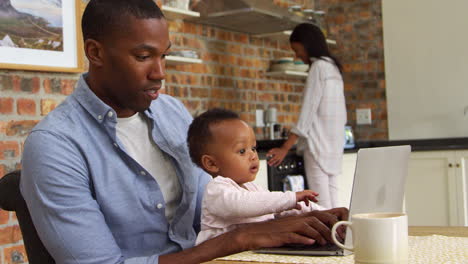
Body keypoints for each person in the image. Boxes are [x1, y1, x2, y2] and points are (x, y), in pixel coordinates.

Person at [19, 1, 348, 263]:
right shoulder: (55, 146)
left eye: (164, 56)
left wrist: (293, 216)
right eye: (143, 56)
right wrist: (239, 239)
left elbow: (217, 203)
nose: (160, 73)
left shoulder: (171, 112)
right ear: (96, 52)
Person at [187, 108, 327, 245]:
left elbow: (282, 209)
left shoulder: (253, 189)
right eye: (242, 151)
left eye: (253, 148)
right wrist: (291, 198)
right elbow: (243, 204)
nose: (253, 156)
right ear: (211, 163)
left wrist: (322, 212)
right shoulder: (216, 189)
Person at [267, 23, 347, 209]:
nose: (297, 56)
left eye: (297, 50)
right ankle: (341, 237)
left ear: (307, 44)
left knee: (322, 206)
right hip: (334, 147)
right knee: (335, 205)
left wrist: (285, 147)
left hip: (317, 146)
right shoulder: (333, 68)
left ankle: (330, 237)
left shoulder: (318, 67)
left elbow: (307, 112)